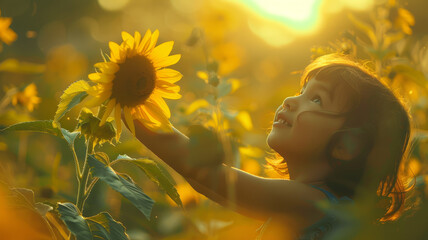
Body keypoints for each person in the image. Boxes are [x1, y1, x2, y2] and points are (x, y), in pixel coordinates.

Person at [125, 53, 412, 239]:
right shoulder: (298, 203)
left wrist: (129, 104)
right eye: (301, 92)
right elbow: (204, 184)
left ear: (346, 147)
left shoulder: (316, 203)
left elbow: (212, 177)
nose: (290, 101)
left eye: (316, 100)